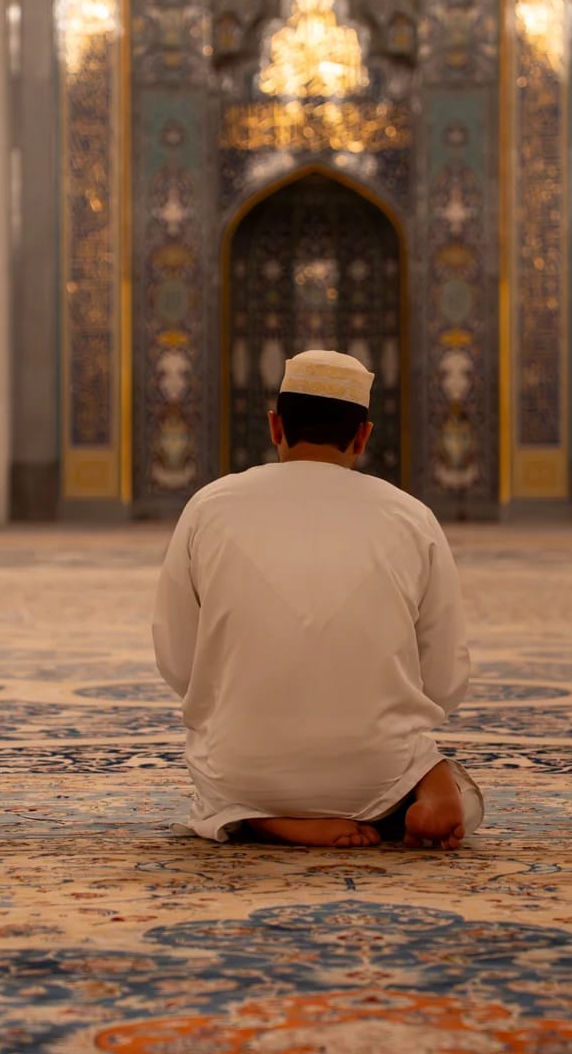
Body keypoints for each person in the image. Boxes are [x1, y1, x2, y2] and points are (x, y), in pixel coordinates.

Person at [152, 349, 484, 848]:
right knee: (444, 777)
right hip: (375, 772)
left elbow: (177, 660)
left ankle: (260, 816)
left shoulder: (208, 506)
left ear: (275, 426)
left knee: (226, 779)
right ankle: (421, 790)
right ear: (363, 436)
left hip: (242, 767)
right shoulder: (412, 517)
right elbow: (445, 681)